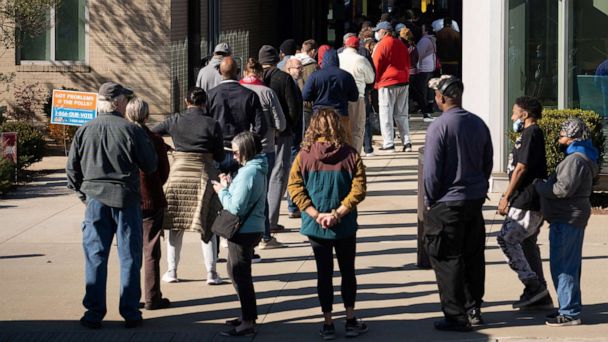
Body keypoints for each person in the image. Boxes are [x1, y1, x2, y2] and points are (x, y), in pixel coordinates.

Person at [67, 82, 157, 329]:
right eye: (126, 99)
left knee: (95, 257)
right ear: (117, 102)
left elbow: (71, 170)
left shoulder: (84, 130)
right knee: (129, 256)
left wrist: (84, 196)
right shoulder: (131, 130)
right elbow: (150, 165)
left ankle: (94, 313)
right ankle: (130, 312)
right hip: (125, 200)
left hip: (96, 199)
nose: (127, 103)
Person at [287, 109, 368, 340]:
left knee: (324, 274)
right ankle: (350, 319)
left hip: (316, 227)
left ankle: (328, 323)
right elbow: (359, 189)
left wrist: (315, 214)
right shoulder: (351, 155)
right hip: (344, 225)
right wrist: (338, 213)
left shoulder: (303, 156)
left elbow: (294, 188)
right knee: (347, 272)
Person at [423, 75, 493, 332]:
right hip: (473, 200)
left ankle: (455, 315)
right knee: (473, 256)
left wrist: (430, 199)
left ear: (440, 97)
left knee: (447, 258)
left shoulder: (439, 127)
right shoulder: (478, 124)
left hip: (447, 203)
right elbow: (488, 161)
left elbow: (431, 171)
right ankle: (473, 308)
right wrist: (479, 186)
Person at [152, 87, 225, 285]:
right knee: (208, 225)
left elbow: (150, 132)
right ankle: (211, 273)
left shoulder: (175, 120)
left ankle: (172, 271)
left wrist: (165, 147)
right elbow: (219, 155)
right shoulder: (212, 124)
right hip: (204, 176)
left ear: (186, 101)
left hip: (177, 175)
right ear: (205, 103)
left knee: (176, 225)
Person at [535, 117, 599, 327]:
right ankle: (569, 306)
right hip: (570, 216)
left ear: (572, 136)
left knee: (563, 266)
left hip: (567, 217)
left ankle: (569, 312)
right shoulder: (581, 156)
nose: (559, 137)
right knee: (569, 265)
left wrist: (539, 186)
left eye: (563, 134)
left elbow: (561, 190)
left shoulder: (575, 160)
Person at [496, 96, 553, 310]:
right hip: (525, 199)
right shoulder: (527, 134)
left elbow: (521, 167)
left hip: (527, 200)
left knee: (506, 239)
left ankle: (533, 284)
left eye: (514, 112)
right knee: (527, 243)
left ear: (525, 114)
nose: (512, 117)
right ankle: (539, 293)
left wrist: (506, 196)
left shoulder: (532, 133)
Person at [213, 131, 268, 337]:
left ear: (245, 151)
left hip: (243, 229)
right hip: (251, 227)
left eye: (236, 153)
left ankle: (248, 320)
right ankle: (247, 314)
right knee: (234, 271)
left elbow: (236, 208)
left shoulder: (248, 173)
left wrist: (222, 191)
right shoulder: (254, 169)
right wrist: (229, 186)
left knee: (240, 274)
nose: (234, 156)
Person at [125, 97, 171, 310]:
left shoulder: (122, 136)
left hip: (127, 199)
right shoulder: (154, 139)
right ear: (146, 115)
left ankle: (130, 299)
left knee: (130, 251)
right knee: (151, 250)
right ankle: (153, 297)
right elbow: (163, 173)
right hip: (151, 198)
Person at [239, 58, 287, 249]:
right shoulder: (267, 92)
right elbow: (280, 123)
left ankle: (235, 232)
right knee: (262, 194)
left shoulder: (237, 90)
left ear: (244, 73)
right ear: (260, 74)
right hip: (264, 148)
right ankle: (265, 236)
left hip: (239, 148)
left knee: (239, 192)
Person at [259, 45, 302, 233]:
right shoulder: (284, 79)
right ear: (278, 59)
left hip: (257, 135)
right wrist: (288, 129)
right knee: (278, 175)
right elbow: (294, 108)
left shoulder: (255, 80)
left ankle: (260, 220)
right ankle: (271, 221)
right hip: (281, 134)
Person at [207, 56, 267, 175]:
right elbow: (260, 127)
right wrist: (249, 146)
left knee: (218, 190)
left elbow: (204, 124)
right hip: (241, 151)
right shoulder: (249, 95)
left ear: (219, 72)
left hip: (218, 151)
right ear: (238, 72)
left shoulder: (210, 95)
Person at [302, 48, 359, 145]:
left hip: (319, 116)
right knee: (344, 144)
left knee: (319, 144)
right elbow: (354, 97)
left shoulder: (315, 76)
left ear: (324, 61)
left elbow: (305, 96)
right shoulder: (346, 76)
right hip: (341, 115)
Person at [372, 21, 413, 152]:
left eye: (378, 31)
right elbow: (408, 62)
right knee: (402, 114)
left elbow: (376, 65)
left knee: (386, 113)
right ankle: (407, 142)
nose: (376, 33)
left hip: (387, 82)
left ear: (383, 32)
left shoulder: (381, 44)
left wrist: (375, 82)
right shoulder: (401, 44)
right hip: (403, 81)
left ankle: (389, 142)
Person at [338, 36, 375, 153]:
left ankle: (342, 157)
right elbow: (371, 78)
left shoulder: (338, 57)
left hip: (340, 97)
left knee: (342, 129)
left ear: (345, 45)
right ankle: (354, 158)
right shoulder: (361, 59)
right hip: (358, 96)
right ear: (357, 46)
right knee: (357, 129)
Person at [415, 21, 438, 122]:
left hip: (424, 68)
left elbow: (418, 54)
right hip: (430, 67)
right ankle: (430, 106)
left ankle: (424, 108)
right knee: (429, 89)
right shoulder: (432, 40)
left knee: (423, 89)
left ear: (425, 31)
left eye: (423, 29)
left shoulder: (425, 40)